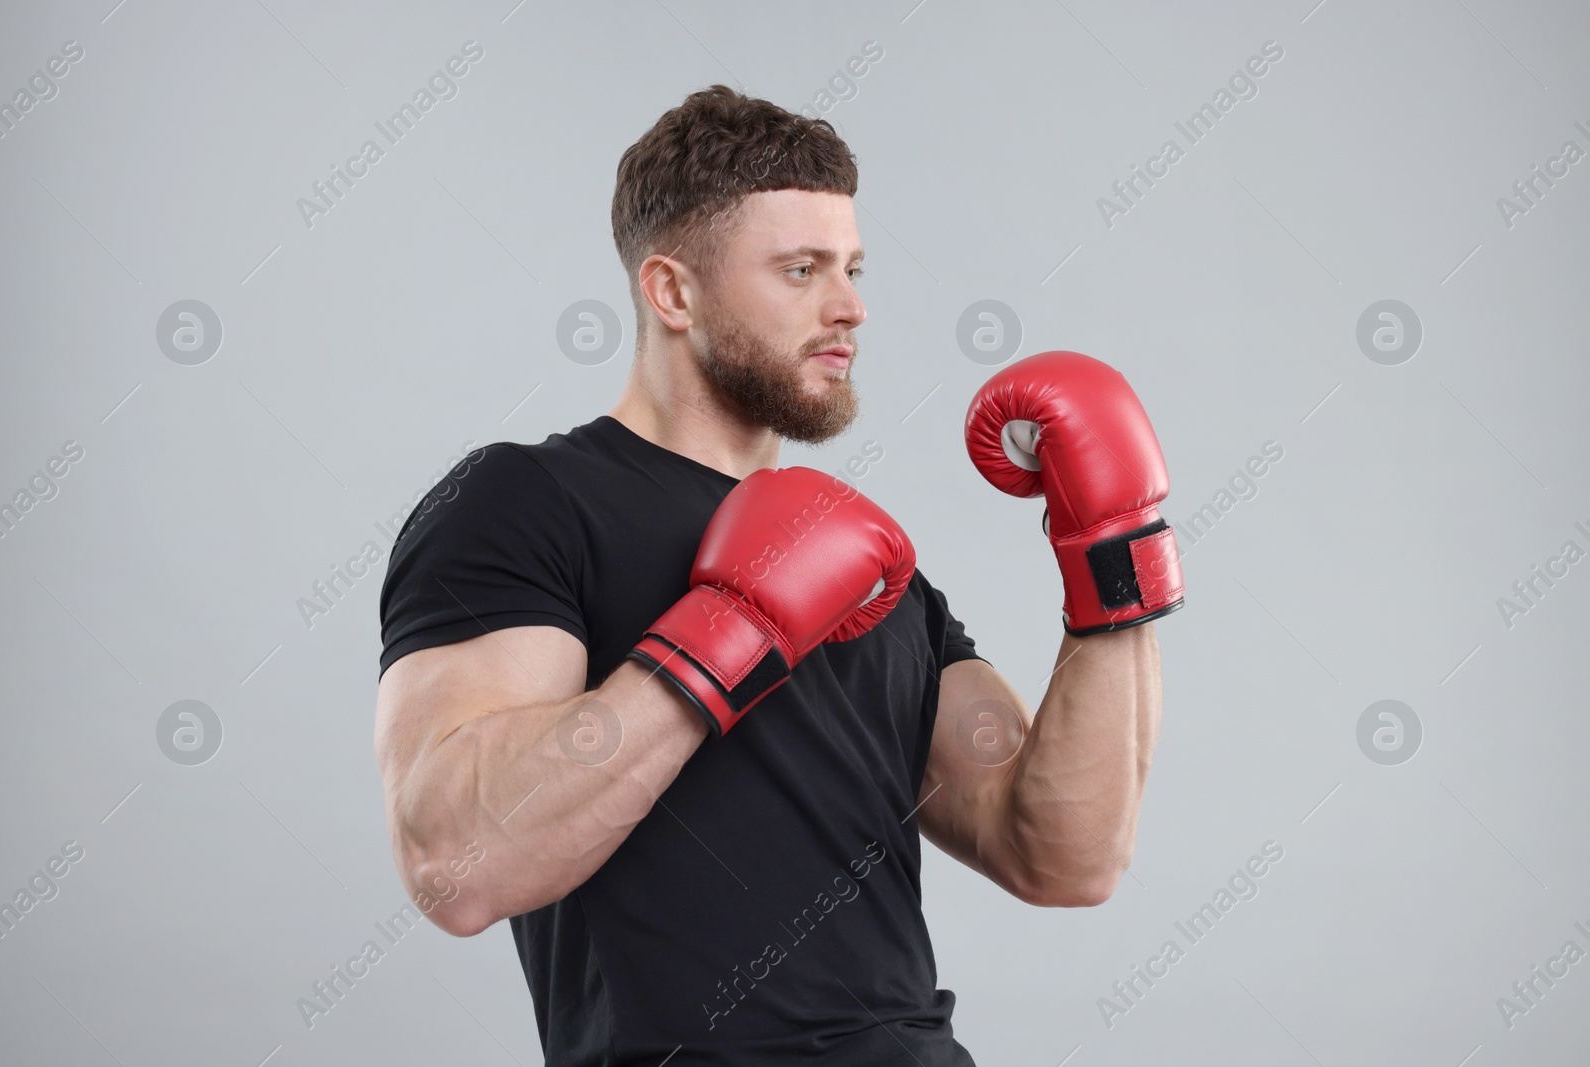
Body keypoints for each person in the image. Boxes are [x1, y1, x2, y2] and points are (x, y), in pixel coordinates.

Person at [374, 84, 1182, 1065]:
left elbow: (1063, 854)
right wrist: (727, 630)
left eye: (851, 267)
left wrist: (1114, 560)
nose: (850, 306)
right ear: (672, 291)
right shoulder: (522, 498)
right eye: (800, 270)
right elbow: (453, 864)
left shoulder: (871, 569)